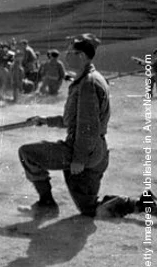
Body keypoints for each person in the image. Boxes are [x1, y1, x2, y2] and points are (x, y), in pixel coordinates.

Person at [18, 33, 110, 219]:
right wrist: (45, 120)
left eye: (70, 52)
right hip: (94, 150)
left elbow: (88, 127)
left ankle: (47, 204)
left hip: (83, 151)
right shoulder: (89, 79)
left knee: (27, 153)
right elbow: (72, 120)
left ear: (82, 56)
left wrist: (79, 159)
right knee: (90, 209)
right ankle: (141, 204)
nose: (66, 56)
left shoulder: (88, 84)